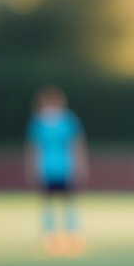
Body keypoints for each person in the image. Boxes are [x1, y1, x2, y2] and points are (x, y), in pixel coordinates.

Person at [26, 85, 88, 257]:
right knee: (48, 202)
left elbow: (76, 146)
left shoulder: (68, 122)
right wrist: (33, 168)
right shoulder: (38, 123)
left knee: (68, 201)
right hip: (46, 167)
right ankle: (50, 236)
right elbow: (34, 148)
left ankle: (72, 234)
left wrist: (79, 165)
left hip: (65, 167)